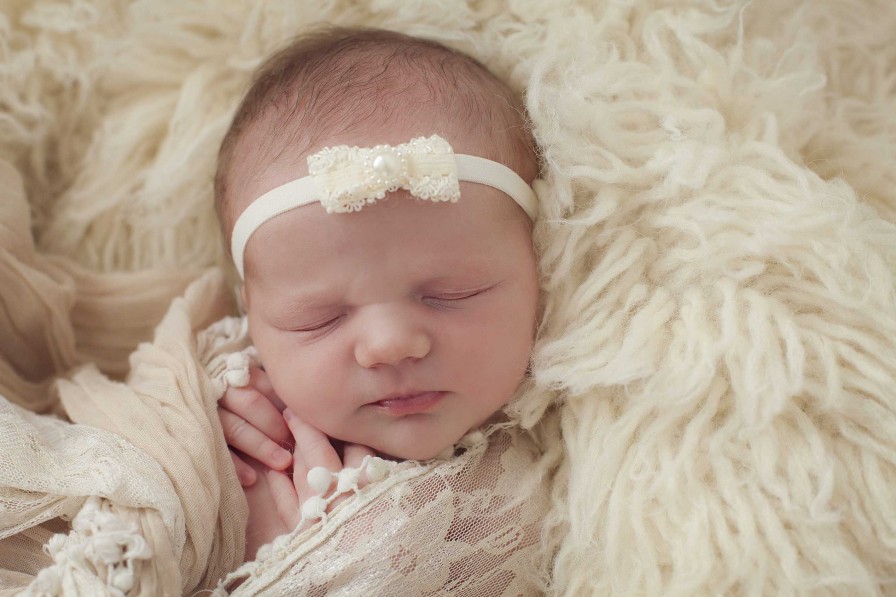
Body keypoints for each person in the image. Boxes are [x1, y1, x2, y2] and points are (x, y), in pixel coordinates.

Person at [212, 26, 541, 560]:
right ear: (253, 315)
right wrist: (200, 411)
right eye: (317, 319)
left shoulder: (580, 446)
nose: (390, 345)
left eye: (454, 293)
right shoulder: (236, 410)